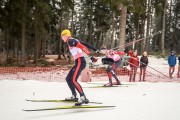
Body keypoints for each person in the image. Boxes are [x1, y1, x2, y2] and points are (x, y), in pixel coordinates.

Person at [61, 29, 98, 106]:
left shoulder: (70, 41)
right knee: (68, 78)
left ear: (65, 35)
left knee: (74, 80)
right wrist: (95, 49)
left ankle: (83, 97)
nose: (62, 38)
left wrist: (90, 56)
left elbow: (81, 46)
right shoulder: (73, 40)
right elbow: (85, 44)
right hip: (78, 62)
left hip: (80, 61)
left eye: (62, 36)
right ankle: (74, 96)